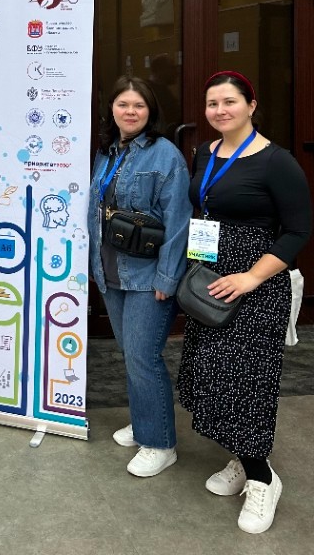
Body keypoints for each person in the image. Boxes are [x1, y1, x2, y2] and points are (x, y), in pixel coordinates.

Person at [178, 71, 311, 534]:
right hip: (210, 280)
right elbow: (205, 212)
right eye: (212, 103)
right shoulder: (205, 152)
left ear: (251, 105)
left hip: (254, 286)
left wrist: (251, 277)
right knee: (214, 376)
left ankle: (262, 479)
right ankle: (241, 456)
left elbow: (298, 230)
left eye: (229, 101)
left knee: (248, 383)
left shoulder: (277, 162)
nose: (220, 110)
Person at [88, 76, 190, 477]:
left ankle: (160, 443)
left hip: (148, 276)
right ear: (111, 109)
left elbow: (179, 222)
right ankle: (146, 420)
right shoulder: (107, 151)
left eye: (139, 105)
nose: (130, 112)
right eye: (123, 104)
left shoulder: (166, 156)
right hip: (111, 271)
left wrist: (167, 277)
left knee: (144, 357)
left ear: (151, 111)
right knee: (131, 354)